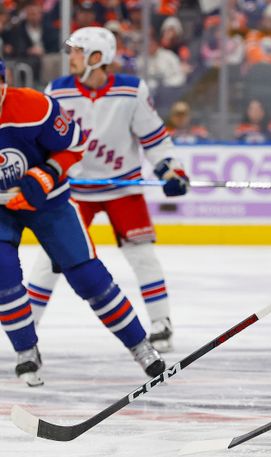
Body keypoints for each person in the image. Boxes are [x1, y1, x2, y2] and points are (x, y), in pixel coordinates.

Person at [0, 58, 164, 386]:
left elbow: (75, 144)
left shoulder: (35, 106)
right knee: (2, 272)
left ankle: (139, 345)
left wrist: (46, 174)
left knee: (88, 276)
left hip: (49, 202)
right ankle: (26, 350)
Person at [25, 27, 190, 352]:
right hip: (73, 191)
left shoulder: (132, 91)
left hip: (122, 187)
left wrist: (171, 169)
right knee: (49, 258)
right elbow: (41, 141)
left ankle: (161, 324)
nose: (70, 57)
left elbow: (154, 139)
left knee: (143, 256)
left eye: (76, 51)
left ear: (96, 57)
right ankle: (26, 331)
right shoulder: (56, 91)